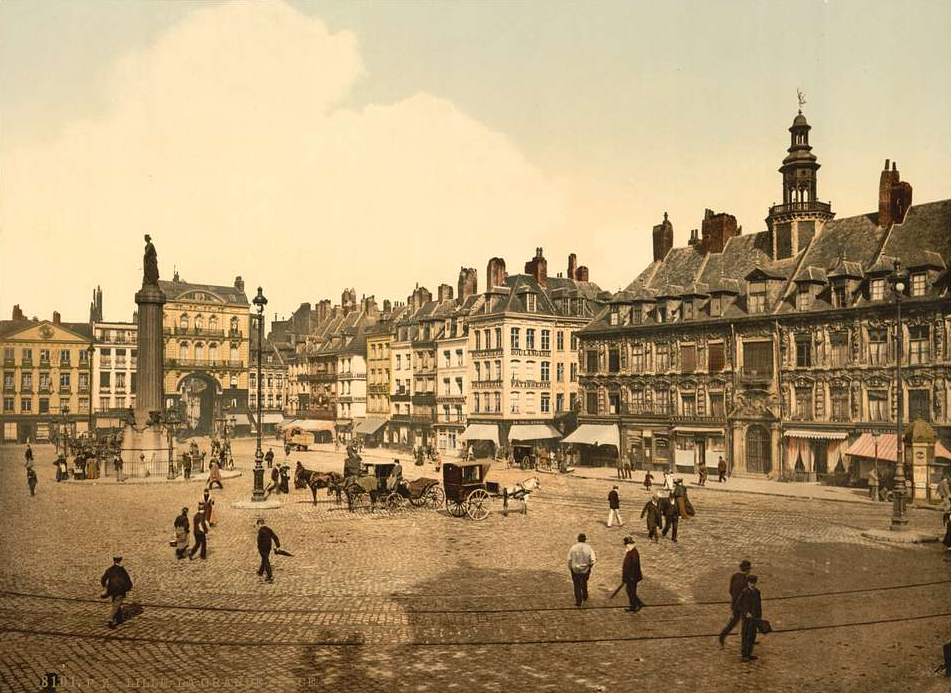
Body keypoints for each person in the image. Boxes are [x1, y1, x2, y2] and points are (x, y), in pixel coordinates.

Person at [719, 560, 752, 646]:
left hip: (734, 604)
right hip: (742, 606)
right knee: (747, 622)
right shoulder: (746, 581)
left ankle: (723, 635)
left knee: (734, 621)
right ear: (748, 570)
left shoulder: (734, 576)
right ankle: (748, 640)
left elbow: (730, 590)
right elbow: (746, 596)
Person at [100, 555, 132, 629]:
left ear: (114, 560)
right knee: (116, 605)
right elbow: (127, 579)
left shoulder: (109, 569)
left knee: (116, 603)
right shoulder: (122, 570)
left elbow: (103, 579)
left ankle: (119, 618)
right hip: (120, 589)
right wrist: (128, 587)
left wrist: (105, 586)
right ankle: (110, 619)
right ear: (120, 560)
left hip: (111, 590)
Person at [738, 575, 763, 662]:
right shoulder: (744, 592)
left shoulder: (757, 592)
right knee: (746, 636)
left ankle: (749, 654)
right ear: (748, 582)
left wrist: (759, 617)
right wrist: (746, 613)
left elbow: (759, 605)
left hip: (754, 618)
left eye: (754, 583)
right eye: (751, 583)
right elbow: (739, 604)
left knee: (752, 636)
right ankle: (744, 655)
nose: (753, 584)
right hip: (747, 619)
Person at [567, 533, 596, 607]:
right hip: (585, 569)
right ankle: (585, 596)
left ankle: (578, 601)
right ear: (585, 540)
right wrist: (589, 567)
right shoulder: (589, 548)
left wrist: (570, 568)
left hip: (575, 569)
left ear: (578, 539)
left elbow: (569, 559)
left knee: (576, 585)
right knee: (584, 582)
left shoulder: (573, 548)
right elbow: (593, 560)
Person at [621, 536, 643, 612]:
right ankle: (635, 604)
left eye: (628, 544)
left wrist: (631, 577)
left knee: (631, 591)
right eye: (626, 544)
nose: (627, 546)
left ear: (631, 544)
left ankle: (636, 605)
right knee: (630, 591)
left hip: (632, 577)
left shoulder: (633, 553)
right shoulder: (630, 551)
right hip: (630, 577)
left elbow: (634, 566)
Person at [256, 518, 280, 583]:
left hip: (262, 548)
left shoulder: (261, 531)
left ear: (259, 524)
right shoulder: (269, 529)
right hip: (268, 547)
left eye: (258, 525)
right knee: (264, 559)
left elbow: (259, 541)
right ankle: (260, 572)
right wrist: (278, 546)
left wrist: (259, 548)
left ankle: (270, 576)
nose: (258, 526)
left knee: (266, 560)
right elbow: (275, 537)